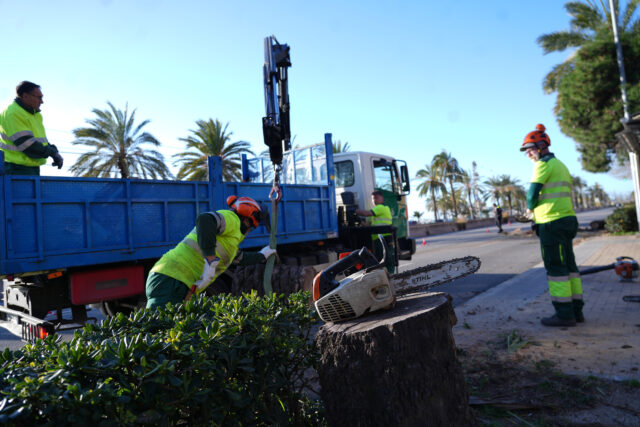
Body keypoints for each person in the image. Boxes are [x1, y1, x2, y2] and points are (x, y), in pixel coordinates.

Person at [145, 195, 276, 309]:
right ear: (247, 221)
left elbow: (239, 258)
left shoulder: (231, 238)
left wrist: (262, 255)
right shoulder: (232, 219)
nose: (248, 232)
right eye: (251, 228)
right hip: (171, 278)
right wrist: (210, 259)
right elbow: (205, 219)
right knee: (159, 326)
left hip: (178, 280)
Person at [521, 124, 582, 327]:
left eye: (530, 149)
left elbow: (531, 195)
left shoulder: (542, 165)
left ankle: (564, 315)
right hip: (567, 220)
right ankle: (577, 311)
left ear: (541, 146)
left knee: (556, 267)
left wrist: (530, 209)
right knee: (570, 266)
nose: (528, 154)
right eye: (526, 151)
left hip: (551, 222)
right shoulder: (561, 165)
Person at [0, 81, 63, 175]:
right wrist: (52, 153)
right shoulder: (13, 113)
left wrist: (54, 153)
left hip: (31, 167)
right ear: (25, 96)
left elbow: (42, 142)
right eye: (39, 98)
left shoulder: (35, 114)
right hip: (15, 168)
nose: (42, 101)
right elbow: (28, 145)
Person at [356, 190, 395, 274]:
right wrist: (361, 222)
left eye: (377, 198)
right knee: (382, 259)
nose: (375, 200)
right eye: (373, 198)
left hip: (384, 238)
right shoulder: (377, 211)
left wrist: (355, 211)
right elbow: (370, 225)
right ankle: (388, 275)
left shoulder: (381, 207)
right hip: (379, 239)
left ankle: (391, 276)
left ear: (382, 199)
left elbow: (366, 213)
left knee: (386, 259)